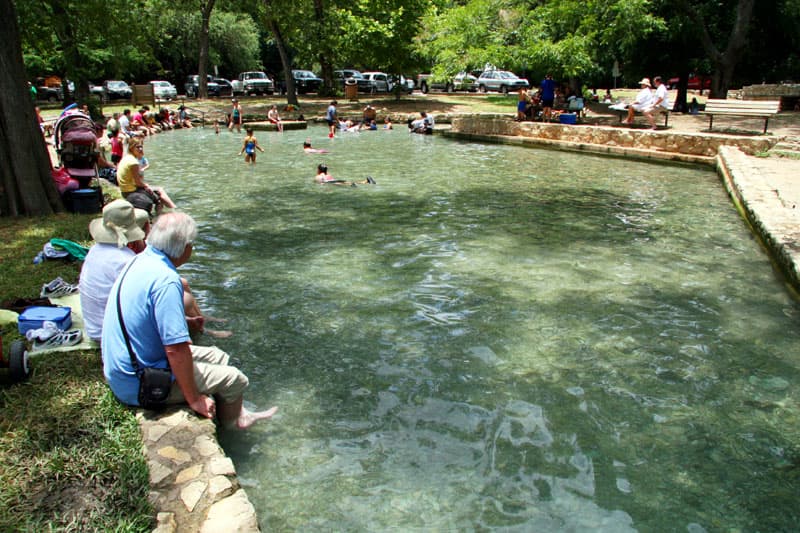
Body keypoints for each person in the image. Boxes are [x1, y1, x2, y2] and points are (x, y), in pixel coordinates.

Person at [101, 212, 277, 428]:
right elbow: (175, 350)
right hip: (138, 383)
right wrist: (194, 399)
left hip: (126, 365)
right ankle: (234, 427)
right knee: (236, 379)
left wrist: (185, 322)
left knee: (219, 355)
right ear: (184, 248)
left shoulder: (141, 260)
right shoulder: (166, 281)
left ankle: (236, 409)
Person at [80, 200, 149, 343]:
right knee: (181, 298)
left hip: (94, 327)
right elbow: (142, 305)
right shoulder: (125, 261)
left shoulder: (96, 250)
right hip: (110, 333)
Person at [117, 139, 176, 212]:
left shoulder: (126, 158)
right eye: (137, 147)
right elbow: (138, 182)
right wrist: (146, 186)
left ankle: (173, 209)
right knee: (159, 194)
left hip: (125, 190)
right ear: (131, 148)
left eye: (141, 147)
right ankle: (171, 211)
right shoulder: (133, 162)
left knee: (156, 190)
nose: (140, 149)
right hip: (131, 191)